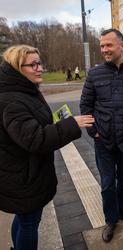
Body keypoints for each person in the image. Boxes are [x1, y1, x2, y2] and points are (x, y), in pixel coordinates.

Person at [0, 45, 94, 250]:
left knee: (24, 219)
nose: (39, 68)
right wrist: (72, 124)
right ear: (17, 68)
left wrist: (54, 123)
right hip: (24, 176)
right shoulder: (13, 100)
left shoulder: (24, 91)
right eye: (32, 65)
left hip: (25, 172)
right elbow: (35, 139)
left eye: (39, 63)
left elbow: (31, 128)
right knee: (29, 222)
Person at [80, 29, 123, 243]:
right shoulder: (94, 74)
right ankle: (111, 220)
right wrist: (95, 132)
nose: (104, 50)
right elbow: (86, 105)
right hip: (104, 141)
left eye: (108, 45)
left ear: (122, 46)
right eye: (102, 46)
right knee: (108, 183)